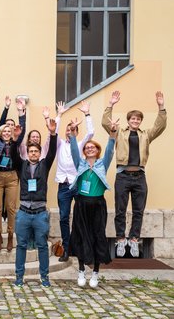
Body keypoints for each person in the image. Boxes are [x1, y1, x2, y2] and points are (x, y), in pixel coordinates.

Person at [102, 91, 167, 257]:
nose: (135, 121)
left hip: (139, 176)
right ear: (128, 121)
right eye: (133, 119)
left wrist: (161, 107)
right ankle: (121, 239)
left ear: (140, 121)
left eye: (138, 119)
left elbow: (160, 126)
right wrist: (111, 104)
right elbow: (105, 123)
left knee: (139, 210)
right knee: (120, 210)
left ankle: (134, 239)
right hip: (123, 175)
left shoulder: (146, 135)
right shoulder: (119, 133)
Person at [69, 118, 118, 288]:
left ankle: (95, 273)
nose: (90, 148)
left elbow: (111, 150)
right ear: (85, 151)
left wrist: (113, 133)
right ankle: (81, 270)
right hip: (81, 204)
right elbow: (74, 150)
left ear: (97, 150)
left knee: (97, 236)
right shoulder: (80, 164)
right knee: (81, 235)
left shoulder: (102, 164)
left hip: (98, 205)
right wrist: (74, 134)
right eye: (87, 147)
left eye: (93, 147)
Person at [10, 118, 58, 288]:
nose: (33, 154)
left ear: (39, 154)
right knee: (21, 246)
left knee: (42, 246)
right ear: (27, 153)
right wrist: (15, 139)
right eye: (30, 151)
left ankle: (44, 277)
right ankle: (19, 277)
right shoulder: (21, 165)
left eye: (36, 152)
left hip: (40, 213)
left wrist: (52, 134)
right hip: (23, 212)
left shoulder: (44, 165)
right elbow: (13, 154)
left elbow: (52, 152)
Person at [55, 101, 94, 262]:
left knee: (81, 217)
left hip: (77, 185)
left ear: (76, 132)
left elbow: (91, 133)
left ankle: (81, 247)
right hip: (63, 186)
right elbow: (53, 132)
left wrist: (87, 114)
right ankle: (66, 248)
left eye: (73, 129)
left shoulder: (79, 144)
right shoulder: (59, 144)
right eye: (68, 129)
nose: (70, 131)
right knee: (64, 217)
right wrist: (59, 115)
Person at [0, 97, 26, 252]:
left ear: (11, 133)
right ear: (0, 133)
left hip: (12, 177)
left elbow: (21, 128)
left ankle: (11, 235)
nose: (6, 132)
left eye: (8, 131)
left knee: (11, 208)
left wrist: (20, 112)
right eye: (3, 131)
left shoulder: (16, 143)